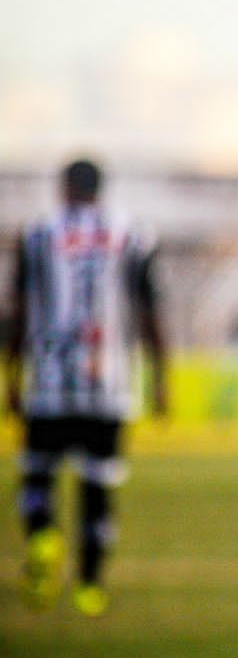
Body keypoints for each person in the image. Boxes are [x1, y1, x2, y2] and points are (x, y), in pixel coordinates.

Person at [4, 158, 168, 616]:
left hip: (49, 382)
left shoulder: (37, 235)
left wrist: (12, 377)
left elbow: (17, 310)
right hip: (108, 385)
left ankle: (41, 536)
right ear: (101, 189)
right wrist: (160, 378)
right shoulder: (132, 234)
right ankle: (90, 585)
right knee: (97, 487)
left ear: (63, 188)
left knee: (38, 474)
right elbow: (149, 308)